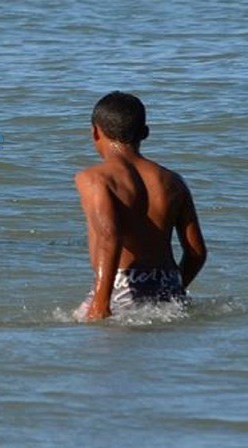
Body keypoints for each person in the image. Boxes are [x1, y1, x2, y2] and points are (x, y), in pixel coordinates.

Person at [74, 91, 206, 321]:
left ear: (95, 132)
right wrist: (173, 291)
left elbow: (109, 239)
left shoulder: (95, 179)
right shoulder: (173, 181)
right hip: (169, 286)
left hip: (121, 288)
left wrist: (100, 305)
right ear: (145, 133)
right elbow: (196, 253)